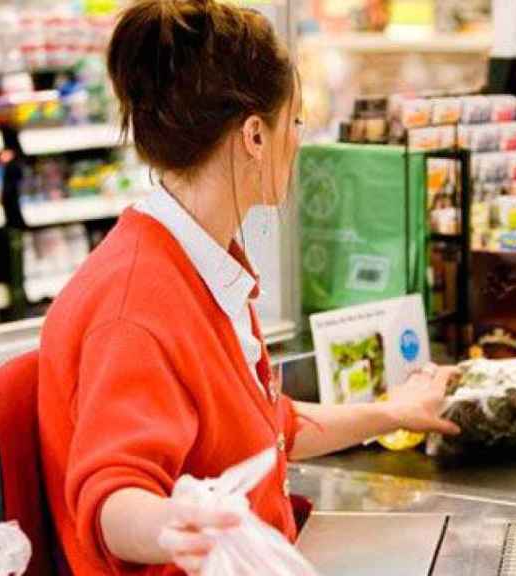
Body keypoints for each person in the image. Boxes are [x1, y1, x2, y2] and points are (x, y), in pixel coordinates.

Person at [37, 1, 461, 574]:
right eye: (296, 122)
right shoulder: (134, 306)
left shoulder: (199, 264)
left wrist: (393, 412)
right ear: (256, 136)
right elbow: (115, 498)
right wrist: (171, 526)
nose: (299, 141)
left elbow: (268, 428)